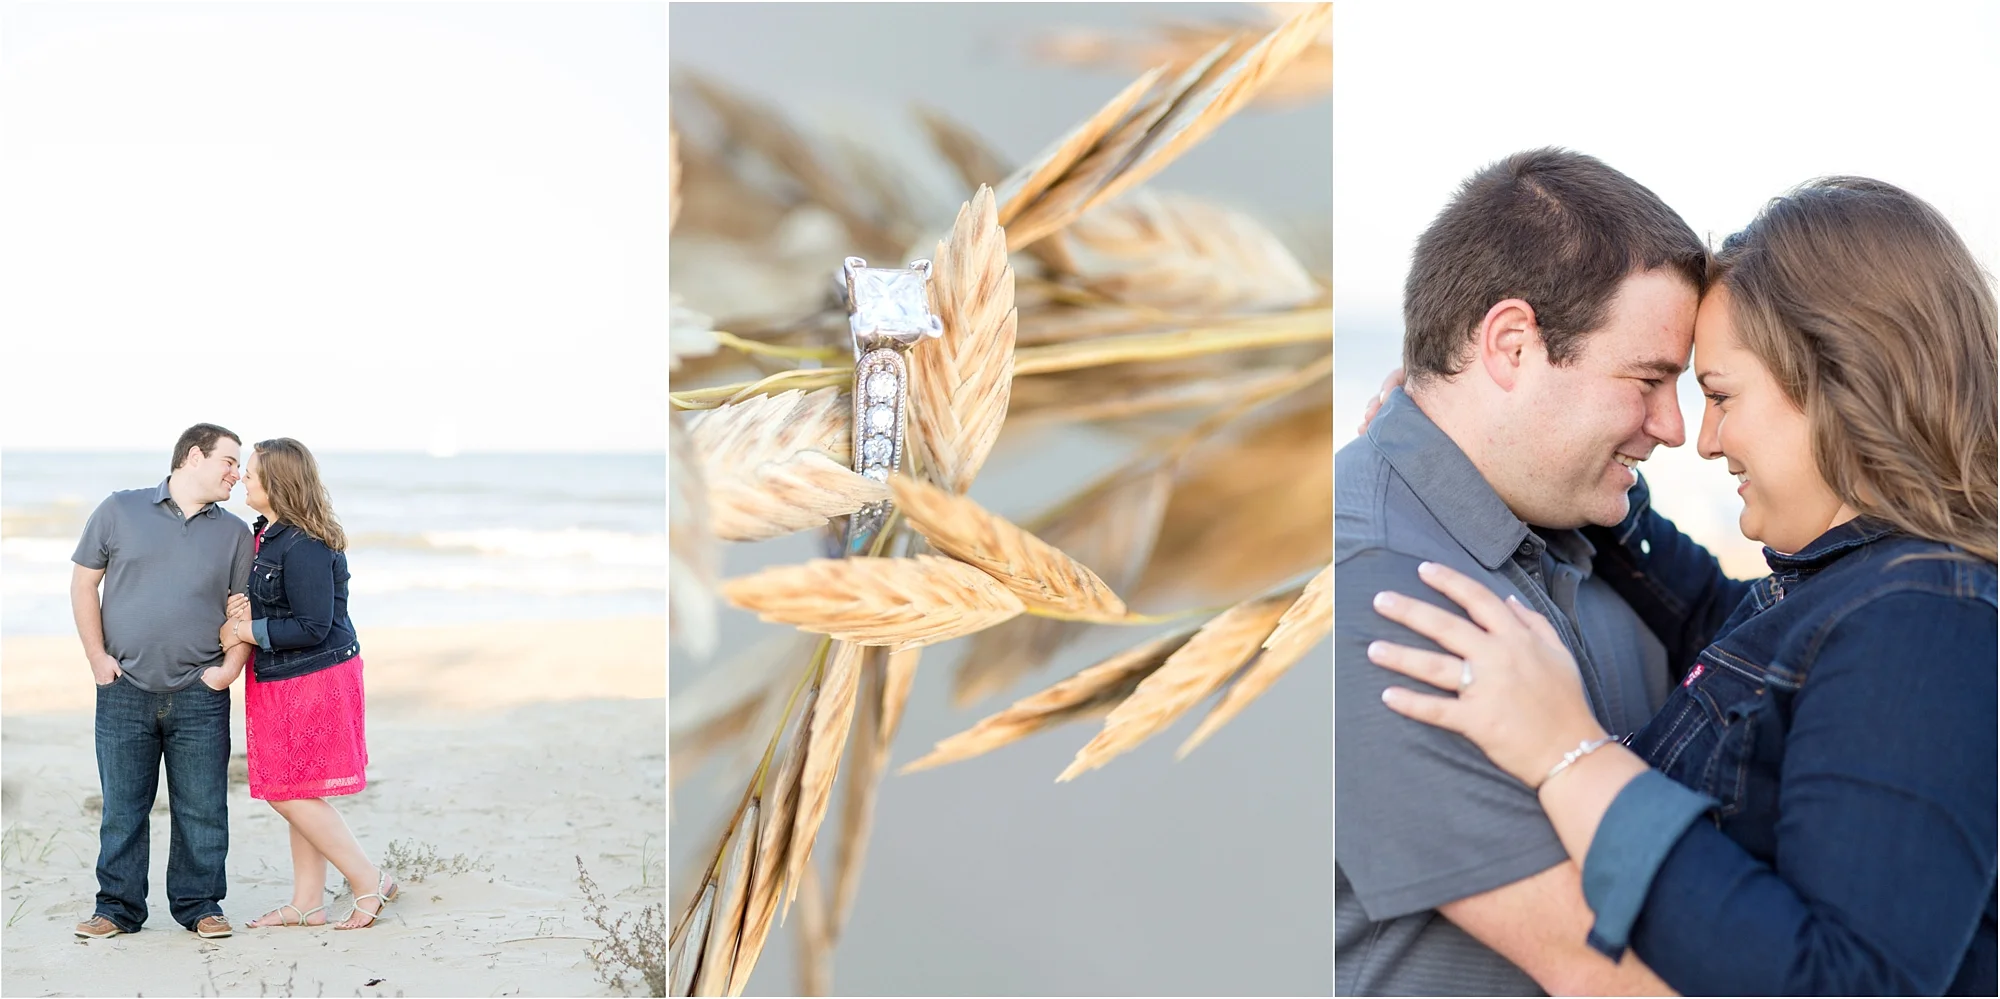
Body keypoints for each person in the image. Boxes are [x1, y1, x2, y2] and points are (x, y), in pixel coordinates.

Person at [1369, 177, 1997, 994]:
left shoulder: (1925, 621)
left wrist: (1570, 752)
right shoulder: (1857, 590)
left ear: (1843, 386)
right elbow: (1726, 641)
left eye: (1722, 397)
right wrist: (1475, 440)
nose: (1701, 439)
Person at [1335, 148, 1704, 995]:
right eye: (1649, 379)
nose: (1673, 426)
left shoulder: (1592, 541)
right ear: (1511, 343)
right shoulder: (1382, 590)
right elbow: (1615, 973)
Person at [72, 423, 254, 941]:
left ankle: (200, 906)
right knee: (123, 808)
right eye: (228, 462)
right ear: (194, 457)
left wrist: (228, 670)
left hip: (200, 692)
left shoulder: (235, 533)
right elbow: (84, 582)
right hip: (123, 686)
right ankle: (118, 908)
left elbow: (241, 611)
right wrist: (97, 659)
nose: (236, 475)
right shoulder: (118, 509)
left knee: (203, 808)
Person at [222, 438, 397, 930]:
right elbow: (278, 605)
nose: (243, 478)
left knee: (285, 789)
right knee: (298, 784)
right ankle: (308, 902)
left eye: (251, 472)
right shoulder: (269, 533)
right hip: (281, 677)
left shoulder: (305, 544)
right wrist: (248, 610)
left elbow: (313, 626)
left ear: (277, 482)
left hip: (316, 677)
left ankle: (368, 881)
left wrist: (245, 630)